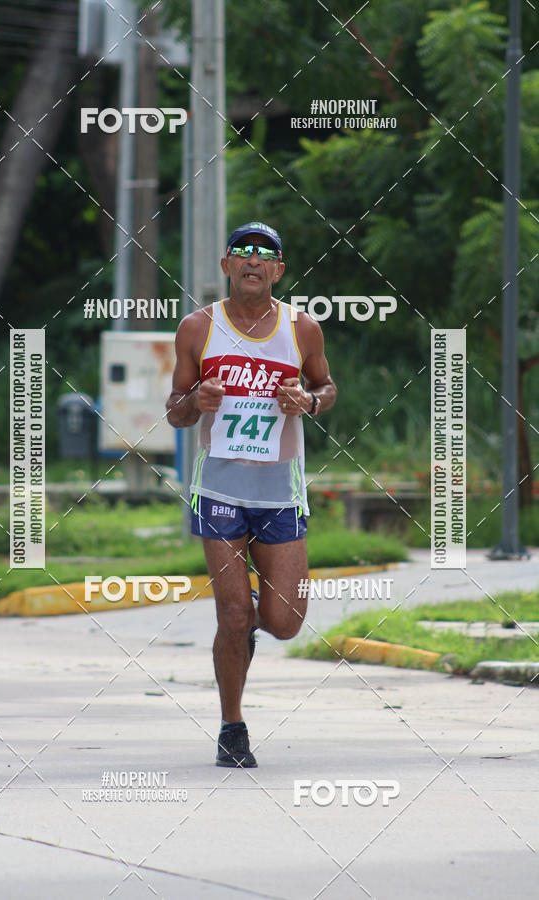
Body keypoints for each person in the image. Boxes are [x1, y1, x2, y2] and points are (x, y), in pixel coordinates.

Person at [166, 222, 337, 767]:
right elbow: (174, 411)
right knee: (234, 614)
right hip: (218, 489)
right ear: (227, 266)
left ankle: (247, 635)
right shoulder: (198, 328)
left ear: (279, 270)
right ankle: (231, 727)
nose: (253, 260)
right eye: (242, 252)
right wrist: (197, 398)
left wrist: (307, 402)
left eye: (265, 254)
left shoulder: (302, 328)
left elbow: (327, 387)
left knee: (284, 621)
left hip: (280, 492)